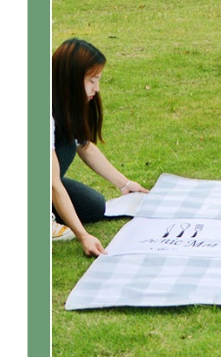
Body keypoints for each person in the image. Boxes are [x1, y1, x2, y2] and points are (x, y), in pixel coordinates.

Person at [51, 38, 149, 256]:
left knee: (94, 205)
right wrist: (83, 235)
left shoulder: (64, 101)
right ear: (71, 79)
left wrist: (125, 184)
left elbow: (85, 146)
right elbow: (52, 183)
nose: (97, 88)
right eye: (92, 81)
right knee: (65, 145)